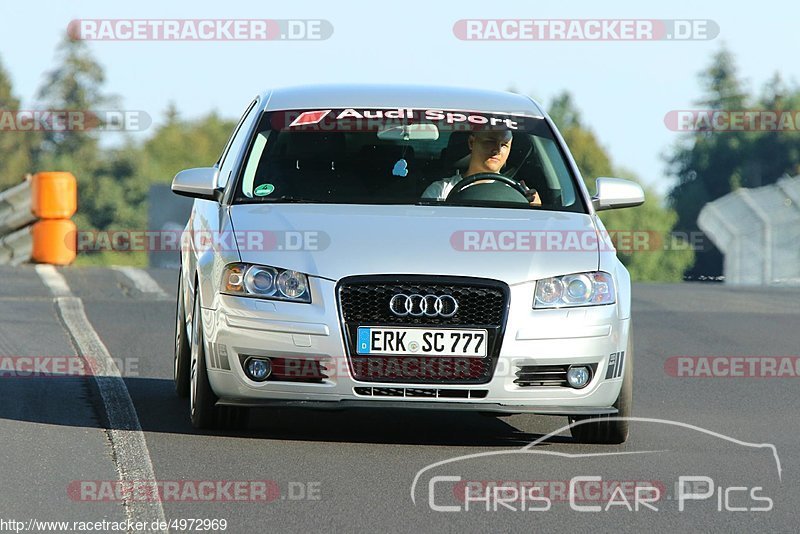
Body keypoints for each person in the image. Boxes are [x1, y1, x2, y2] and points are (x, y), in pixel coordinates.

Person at [421, 129, 541, 206]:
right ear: (471, 143)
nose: (497, 150)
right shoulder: (440, 191)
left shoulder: (519, 194)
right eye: (490, 142)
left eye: (504, 145)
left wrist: (535, 208)